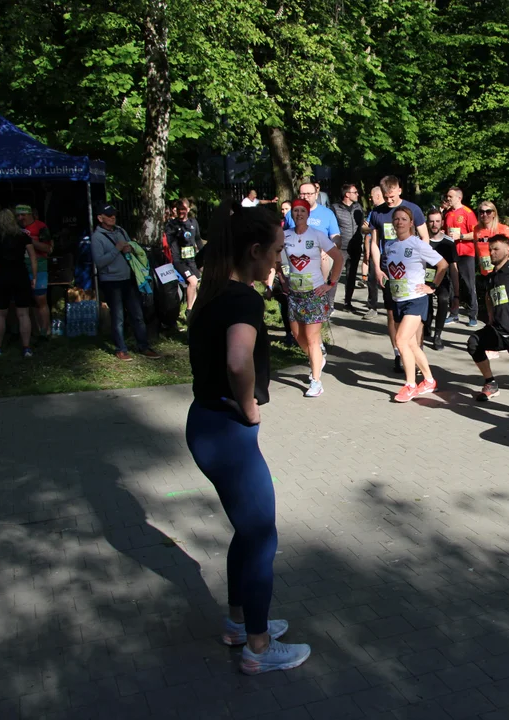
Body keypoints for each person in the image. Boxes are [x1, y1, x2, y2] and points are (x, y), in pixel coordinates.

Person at [185, 204, 311, 675]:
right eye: (276, 251)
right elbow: (239, 360)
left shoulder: (214, 290)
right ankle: (258, 648)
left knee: (249, 529)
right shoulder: (243, 298)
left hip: (205, 424)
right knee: (262, 536)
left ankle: (241, 622)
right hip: (226, 431)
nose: (279, 259)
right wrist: (250, 407)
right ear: (254, 250)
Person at [373, 205, 447, 402]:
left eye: (403, 219)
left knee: (401, 341)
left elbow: (442, 265)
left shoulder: (418, 244)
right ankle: (429, 380)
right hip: (398, 299)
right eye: (396, 219)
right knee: (412, 344)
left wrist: (432, 287)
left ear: (411, 223)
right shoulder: (389, 246)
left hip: (416, 300)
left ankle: (410, 385)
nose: (399, 222)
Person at [276, 200, 343, 397]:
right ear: (291, 215)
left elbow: (338, 258)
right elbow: (276, 259)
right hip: (295, 294)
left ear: (307, 213)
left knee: (312, 338)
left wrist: (330, 283)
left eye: (302, 211)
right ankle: (318, 358)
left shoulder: (317, 235)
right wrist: (282, 280)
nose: (298, 214)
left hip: (314, 293)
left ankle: (316, 381)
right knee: (298, 336)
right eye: (295, 211)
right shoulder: (285, 235)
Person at [367, 175, 429, 373]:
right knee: (393, 314)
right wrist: (377, 268)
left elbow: (425, 237)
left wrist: (420, 263)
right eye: (386, 197)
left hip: (410, 270)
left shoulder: (413, 210)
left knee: (414, 315)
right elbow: (374, 243)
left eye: (392, 196)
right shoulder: (377, 212)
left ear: (399, 191)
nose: (389, 200)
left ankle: (416, 350)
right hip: (389, 270)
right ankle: (398, 352)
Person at [90, 204, 161, 361]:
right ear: (100, 218)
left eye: (114, 214)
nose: (113, 217)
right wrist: (116, 249)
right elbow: (100, 262)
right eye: (109, 215)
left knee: (137, 314)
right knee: (118, 316)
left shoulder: (121, 231)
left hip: (129, 278)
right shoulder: (97, 238)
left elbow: (130, 247)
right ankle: (121, 349)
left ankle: (143, 346)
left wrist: (130, 248)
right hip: (111, 281)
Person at [468, 235, 509, 399]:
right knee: (473, 343)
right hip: (497, 331)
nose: (491, 253)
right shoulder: (491, 277)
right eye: (490, 249)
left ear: (508, 250)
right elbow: (488, 297)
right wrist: (490, 314)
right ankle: (490, 382)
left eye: (496, 249)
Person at [0, 209, 38, 358]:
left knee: (0, 313)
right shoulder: (23, 236)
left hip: (3, 275)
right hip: (20, 274)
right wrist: (34, 276)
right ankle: (26, 347)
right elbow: (33, 257)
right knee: (23, 313)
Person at [15, 204, 52, 340]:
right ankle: (35, 331)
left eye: (23, 215)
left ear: (30, 214)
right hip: (21, 267)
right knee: (25, 301)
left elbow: (48, 248)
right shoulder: (16, 228)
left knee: (40, 299)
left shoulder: (41, 227)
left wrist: (29, 241)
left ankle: (46, 331)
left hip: (39, 266)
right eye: (18, 215)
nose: (20, 218)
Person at [423, 209, 458, 350]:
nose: (434, 224)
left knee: (443, 299)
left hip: (442, 278)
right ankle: (426, 325)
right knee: (426, 302)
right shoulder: (422, 241)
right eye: (431, 221)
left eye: (437, 221)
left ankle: (438, 335)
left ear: (442, 222)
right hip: (424, 278)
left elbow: (454, 269)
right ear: (427, 223)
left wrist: (456, 294)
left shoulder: (449, 243)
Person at [445, 187, 480, 326]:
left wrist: (461, 236)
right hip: (451, 253)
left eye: (450, 196)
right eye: (447, 196)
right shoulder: (447, 214)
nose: (448, 199)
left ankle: (473, 315)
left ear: (459, 198)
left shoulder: (468, 213)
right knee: (452, 285)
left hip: (466, 252)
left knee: (469, 284)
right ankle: (454, 313)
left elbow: (476, 233)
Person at [332, 183, 366, 313]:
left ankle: (348, 303)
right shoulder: (335, 208)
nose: (357, 194)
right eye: (355, 192)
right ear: (347, 194)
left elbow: (361, 225)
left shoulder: (358, 207)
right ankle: (329, 304)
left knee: (351, 277)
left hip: (356, 246)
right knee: (335, 276)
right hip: (341, 248)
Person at [167, 198, 203, 316]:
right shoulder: (172, 224)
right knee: (192, 282)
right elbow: (168, 242)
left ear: (188, 209)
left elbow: (197, 239)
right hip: (179, 261)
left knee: (195, 284)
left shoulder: (193, 222)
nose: (181, 211)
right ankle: (189, 310)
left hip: (192, 260)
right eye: (179, 209)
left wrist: (203, 254)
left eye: (183, 209)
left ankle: (193, 310)